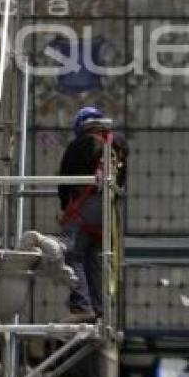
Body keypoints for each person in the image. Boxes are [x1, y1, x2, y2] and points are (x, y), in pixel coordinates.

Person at [57, 105, 127, 321]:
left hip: (85, 207)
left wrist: (64, 209)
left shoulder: (81, 144)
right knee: (94, 258)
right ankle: (99, 309)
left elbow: (64, 181)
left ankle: (81, 305)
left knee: (70, 253)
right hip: (107, 211)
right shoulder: (118, 146)